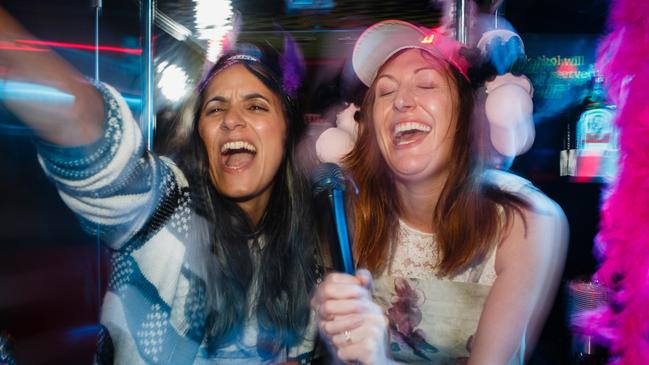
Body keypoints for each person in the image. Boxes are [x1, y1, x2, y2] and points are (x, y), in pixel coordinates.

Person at [0, 8, 321, 364]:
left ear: (287, 130)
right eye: (215, 109)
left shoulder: (301, 254)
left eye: (256, 106)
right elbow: (80, 119)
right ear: (201, 134)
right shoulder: (170, 207)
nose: (231, 120)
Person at [311, 20, 568, 365]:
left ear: (466, 113)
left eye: (427, 84)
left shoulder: (525, 222)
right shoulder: (349, 213)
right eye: (385, 92)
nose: (401, 101)